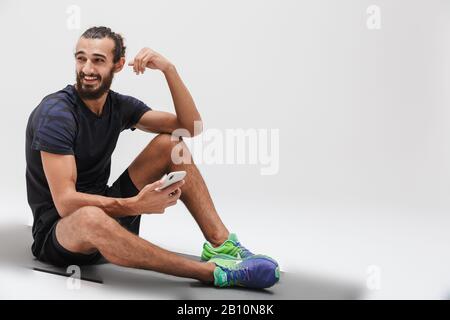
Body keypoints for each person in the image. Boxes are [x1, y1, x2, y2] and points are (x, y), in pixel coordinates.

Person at [25, 26, 279, 289]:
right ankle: (213, 273)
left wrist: (169, 69)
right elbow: (66, 204)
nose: (87, 69)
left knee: (170, 144)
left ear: (118, 65)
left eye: (98, 60)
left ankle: (223, 245)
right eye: (81, 58)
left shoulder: (117, 106)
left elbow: (190, 127)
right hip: (62, 235)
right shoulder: (56, 114)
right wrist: (135, 205)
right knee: (90, 217)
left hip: (111, 216)